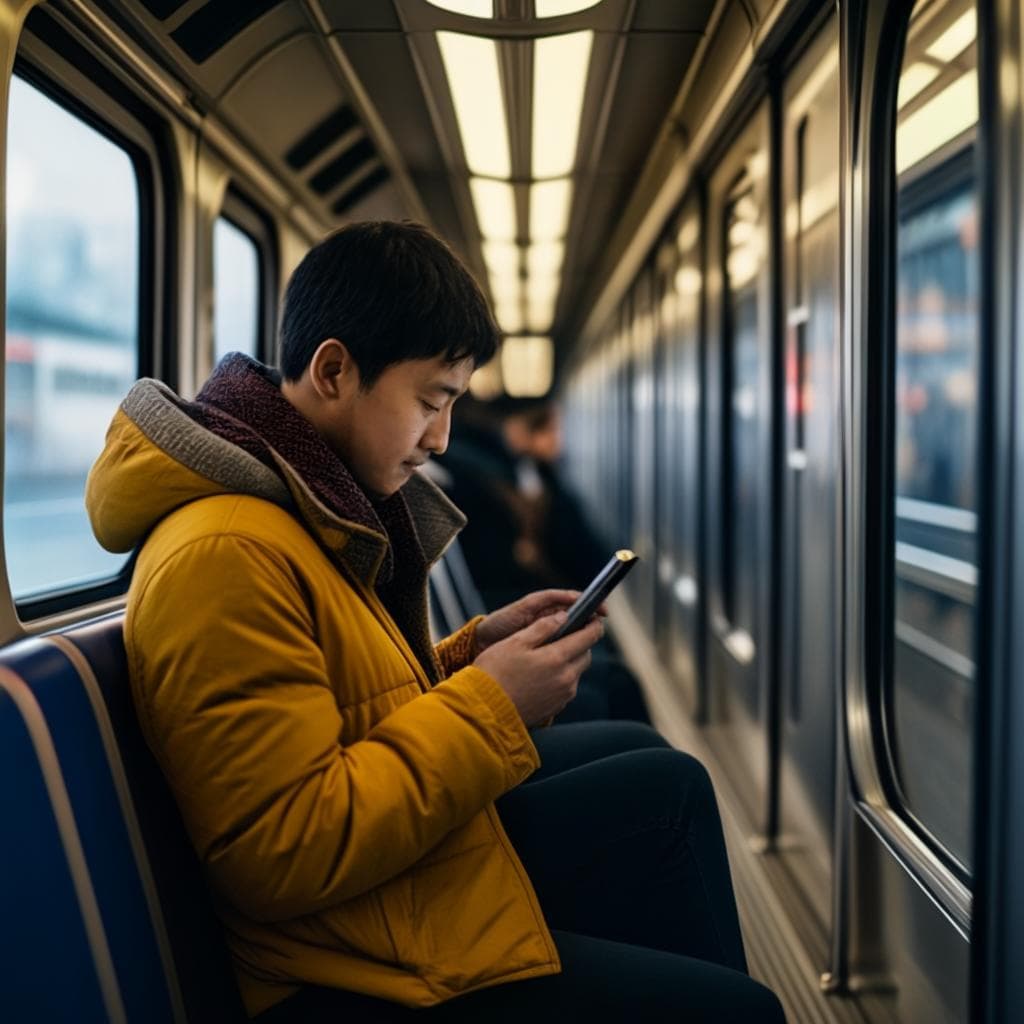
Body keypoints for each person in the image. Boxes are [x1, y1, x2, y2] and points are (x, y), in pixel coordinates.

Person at [86, 221, 784, 1022]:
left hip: (376, 906)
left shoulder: (300, 506)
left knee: (666, 786)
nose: (440, 438)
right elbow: (282, 853)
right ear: (336, 371)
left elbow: (343, 706)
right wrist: (491, 703)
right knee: (736, 1001)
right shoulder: (226, 555)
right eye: (430, 401)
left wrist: (468, 657)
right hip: (337, 966)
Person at [440, 395, 650, 724]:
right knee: (613, 686)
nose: (558, 442)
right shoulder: (487, 483)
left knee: (614, 676)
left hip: (496, 617)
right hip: (497, 609)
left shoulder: (521, 474)